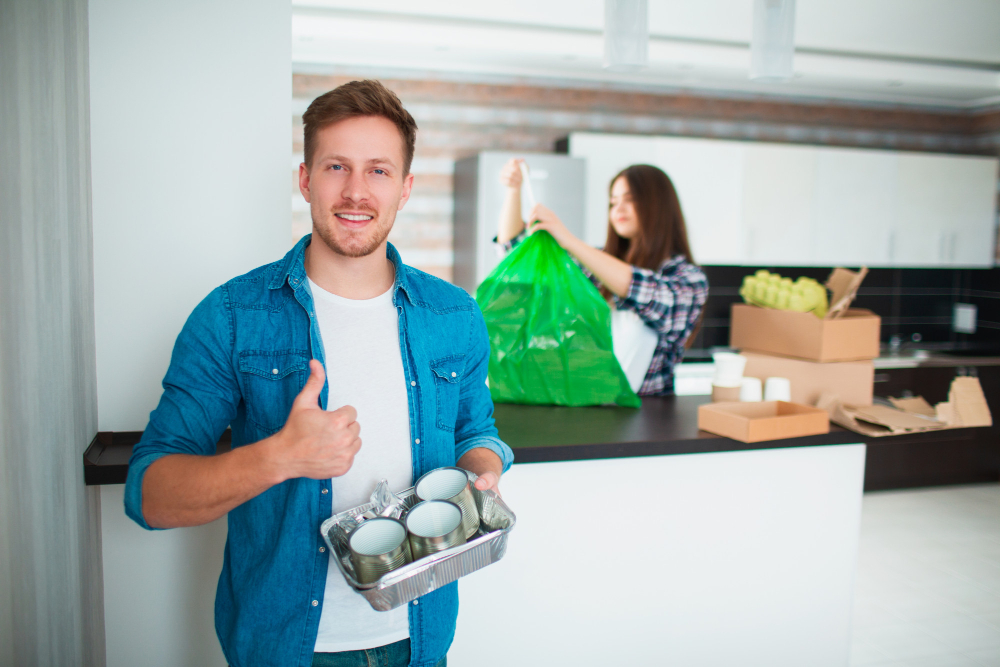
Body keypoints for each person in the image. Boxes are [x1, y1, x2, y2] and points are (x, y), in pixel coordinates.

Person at [125, 80, 513, 667]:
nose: (356, 191)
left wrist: (481, 468)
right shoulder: (232, 317)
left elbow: (474, 430)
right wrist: (279, 456)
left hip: (421, 637)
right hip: (286, 647)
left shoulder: (453, 314)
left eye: (378, 171)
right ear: (305, 179)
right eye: (337, 166)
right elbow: (150, 495)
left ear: (405, 189)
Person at [497, 158, 708, 395]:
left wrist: (568, 239)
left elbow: (649, 294)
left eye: (630, 200)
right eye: (613, 202)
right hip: (588, 404)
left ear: (658, 205)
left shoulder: (687, 278)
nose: (618, 209)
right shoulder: (596, 264)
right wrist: (513, 190)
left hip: (648, 417)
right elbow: (515, 249)